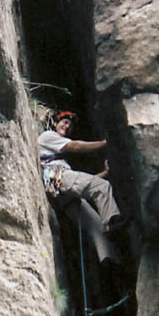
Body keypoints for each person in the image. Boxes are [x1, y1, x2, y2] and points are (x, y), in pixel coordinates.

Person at [38, 111, 125, 267]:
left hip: (62, 194)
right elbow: (76, 146)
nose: (67, 126)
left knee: (97, 227)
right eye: (64, 122)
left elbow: (84, 183)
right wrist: (105, 143)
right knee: (102, 187)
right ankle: (113, 222)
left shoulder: (59, 155)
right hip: (58, 177)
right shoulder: (48, 136)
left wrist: (105, 173)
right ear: (55, 123)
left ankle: (109, 264)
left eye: (70, 126)